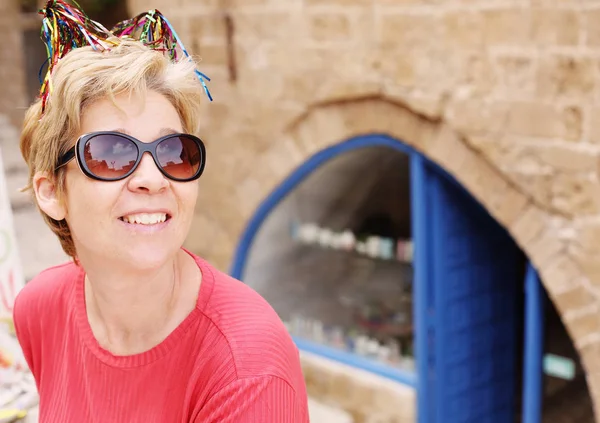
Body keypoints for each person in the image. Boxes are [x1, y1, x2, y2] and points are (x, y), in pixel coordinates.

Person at [12, 1, 309, 422]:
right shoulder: (40, 309)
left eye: (174, 152)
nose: (154, 178)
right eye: (112, 154)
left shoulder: (247, 369)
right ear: (50, 191)